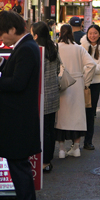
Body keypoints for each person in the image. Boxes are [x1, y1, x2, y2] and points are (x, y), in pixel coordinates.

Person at [0, 11, 42, 200]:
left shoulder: (26, 48)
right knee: (19, 167)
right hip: (18, 118)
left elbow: (18, 83)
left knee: (19, 168)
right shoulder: (25, 46)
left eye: (2, 34)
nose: (0, 39)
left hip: (17, 119)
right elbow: (19, 73)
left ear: (12, 29)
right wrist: (2, 64)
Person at [55, 24, 96, 158]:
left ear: (60, 33)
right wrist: (86, 81)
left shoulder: (56, 48)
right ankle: (76, 147)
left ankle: (61, 149)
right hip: (77, 83)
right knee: (76, 116)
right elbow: (91, 64)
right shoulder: (79, 48)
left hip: (61, 83)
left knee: (60, 117)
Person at [27, 21, 59, 175]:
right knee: (50, 129)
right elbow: (58, 68)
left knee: (42, 130)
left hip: (41, 94)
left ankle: (44, 162)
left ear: (36, 35)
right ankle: (48, 160)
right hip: (53, 94)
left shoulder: (36, 50)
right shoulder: (53, 47)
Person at [82, 24, 100, 150]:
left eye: (95, 33)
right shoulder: (81, 45)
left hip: (96, 83)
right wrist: (93, 67)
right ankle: (75, 141)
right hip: (82, 82)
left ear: (99, 34)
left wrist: (89, 67)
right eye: (90, 33)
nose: (92, 36)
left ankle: (88, 140)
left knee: (91, 113)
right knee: (79, 112)